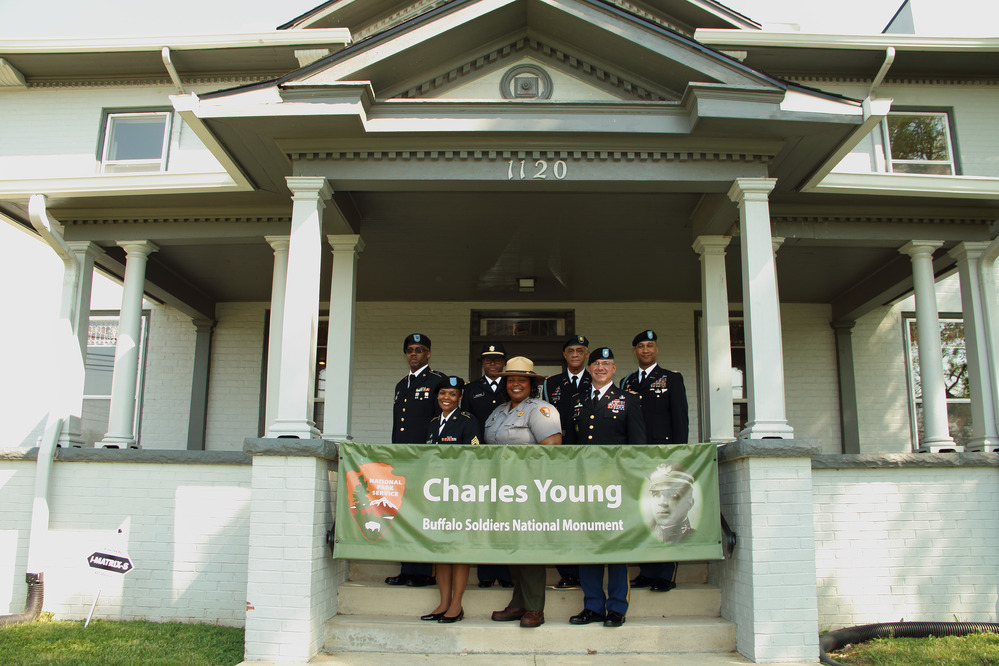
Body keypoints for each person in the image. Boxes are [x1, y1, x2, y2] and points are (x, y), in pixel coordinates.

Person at [568, 347, 646, 628]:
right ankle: (592, 606)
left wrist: (633, 483)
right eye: (596, 363)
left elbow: (637, 446)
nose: (600, 367)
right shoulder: (577, 401)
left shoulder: (628, 400)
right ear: (589, 369)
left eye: (606, 363)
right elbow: (570, 447)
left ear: (614, 369)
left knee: (615, 546)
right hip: (584, 485)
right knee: (587, 544)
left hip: (616, 486)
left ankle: (616, 607)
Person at [484, 356, 561, 629]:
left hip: (529, 491)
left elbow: (552, 451)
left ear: (532, 383)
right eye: (511, 379)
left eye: (521, 379)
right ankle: (518, 602)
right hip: (501, 491)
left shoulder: (541, 410)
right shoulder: (497, 412)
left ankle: (535, 608)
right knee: (511, 547)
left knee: (529, 548)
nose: (515, 384)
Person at [620, 329, 689, 593]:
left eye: (650, 346)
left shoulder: (671, 379)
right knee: (644, 514)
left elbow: (680, 418)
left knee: (667, 514)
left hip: (664, 459)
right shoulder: (628, 382)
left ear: (656, 349)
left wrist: (679, 454)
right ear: (635, 351)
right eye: (641, 347)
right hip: (637, 458)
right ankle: (647, 571)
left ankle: (665, 574)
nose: (646, 350)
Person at [386, 333, 445, 588]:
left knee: (423, 514)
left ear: (428, 354)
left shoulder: (436, 381)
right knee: (404, 514)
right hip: (402, 459)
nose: (414, 354)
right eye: (409, 350)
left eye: (419, 350)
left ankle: (423, 572)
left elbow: (439, 421)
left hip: (425, 460)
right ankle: (406, 568)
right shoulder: (401, 384)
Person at [421, 376, 479, 623]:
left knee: (458, 549)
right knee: (440, 550)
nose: (446, 398)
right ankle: (443, 602)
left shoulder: (468, 422)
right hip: (437, 495)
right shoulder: (433, 424)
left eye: (452, 394)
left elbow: (474, 459)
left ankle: (457, 604)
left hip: (459, 495)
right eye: (443, 393)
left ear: (460, 398)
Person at [461, 342, 513, 589]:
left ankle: (506, 573)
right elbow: (466, 421)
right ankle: (485, 573)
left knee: (507, 514)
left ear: (504, 362)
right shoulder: (471, 389)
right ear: (482, 363)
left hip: (509, 459)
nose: (493, 364)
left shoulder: (512, 385)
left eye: (497, 360)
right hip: (481, 459)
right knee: (483, 514)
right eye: (488, 360)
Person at [541, 334, 591, 589]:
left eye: (580, 350)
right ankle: (568, 572)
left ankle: (587, 571)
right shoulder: (552, 384)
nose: (575, 354)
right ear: (564, 355)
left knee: (586, 516)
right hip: (560, 460)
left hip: (588, 459)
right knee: (562, 516)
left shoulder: (596, 378)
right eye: (570, 350)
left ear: (586, 355)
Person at [645, 464, 697, 544]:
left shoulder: (698, 540)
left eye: (672, 495)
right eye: (656, 495)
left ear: (689, 503)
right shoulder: (644, 540)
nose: (662, 503)